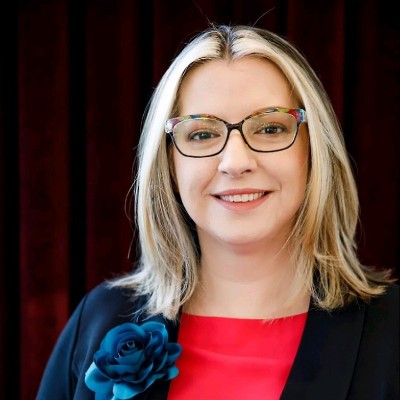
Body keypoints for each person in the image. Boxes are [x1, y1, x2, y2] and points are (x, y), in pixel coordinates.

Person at [36, 24, 398, 400]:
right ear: (170, 165)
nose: (236, 162)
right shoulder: (100, 319)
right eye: (202, 134)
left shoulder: (390, 331)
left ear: (313, 152)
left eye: (271, 127)